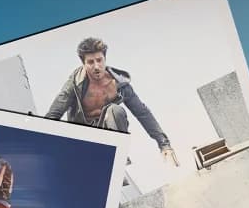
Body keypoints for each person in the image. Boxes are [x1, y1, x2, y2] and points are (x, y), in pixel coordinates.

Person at [44, 37, 179, 167]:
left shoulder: (120, 84)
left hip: (108, 134)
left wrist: (164, 144)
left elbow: (142, 113)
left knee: (115, 110)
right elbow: (54, 114)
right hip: (82, 138)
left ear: (105, 59)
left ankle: (118, 162)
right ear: (83, 64)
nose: (96, 66)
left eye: (99, 60)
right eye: (90, 62)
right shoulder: (75, 83)